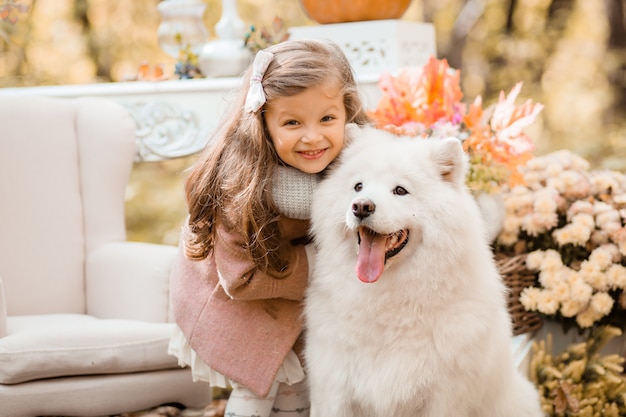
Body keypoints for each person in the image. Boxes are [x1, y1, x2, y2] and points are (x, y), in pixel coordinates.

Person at [167, 39, 371, 417]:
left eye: (327, 118)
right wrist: (325, 260)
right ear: (262, 123)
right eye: (292, 122)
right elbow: (241, 280)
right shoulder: (239, 186)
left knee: (302, 387)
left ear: (347, 113)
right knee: (260, 386)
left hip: (295, 300)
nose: (313, 137)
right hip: (235, 298)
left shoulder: (357, 163)